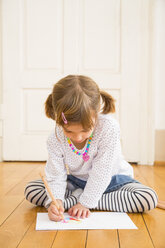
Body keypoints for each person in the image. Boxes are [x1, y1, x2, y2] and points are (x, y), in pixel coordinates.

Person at [24, 75, 158, 222]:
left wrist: (85, 203)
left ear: (96, 114)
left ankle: (78, 200)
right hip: (76, 182)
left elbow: (102, 173)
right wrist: (56, 202)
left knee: (148, 198)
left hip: (113, 182)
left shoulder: (108, 128)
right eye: (69, 131)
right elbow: (56, 175)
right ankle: (72, 200)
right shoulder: (55, 137)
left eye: (85, 130)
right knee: (32, 190)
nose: (78, 137)